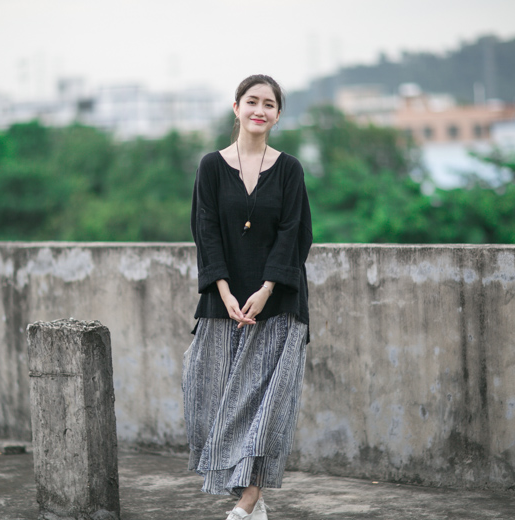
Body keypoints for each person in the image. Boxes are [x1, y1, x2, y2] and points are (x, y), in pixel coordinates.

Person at [183, 74, 313, 520]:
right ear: (236, 107)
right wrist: (223, 291)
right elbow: (205, 230)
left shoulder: (290, 169)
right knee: (206, 399)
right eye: (252, 101)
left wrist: (266, 288)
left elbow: (294, 233)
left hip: (278, 303)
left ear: (278, 115)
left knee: (266, 408)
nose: (260, 110)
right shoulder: (211, 166)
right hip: (223, 303)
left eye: (269, 104)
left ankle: (250, 498)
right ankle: (248, 496)